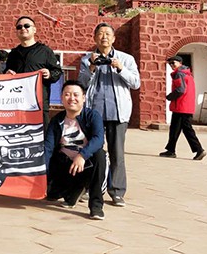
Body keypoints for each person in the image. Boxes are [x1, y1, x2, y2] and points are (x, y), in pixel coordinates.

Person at [78, 22, 140, 207]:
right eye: (100, 33)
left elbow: (136, 83)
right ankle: (90, 188)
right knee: (92, 151)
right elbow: (81, 84)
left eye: (107, 34)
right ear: (94, 38)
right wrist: (91, 67)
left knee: (117, 153)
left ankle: (117, 191)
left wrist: (121, 68)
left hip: (117, 112)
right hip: (94, 112)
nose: (104, 36)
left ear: (113, 38)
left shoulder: (126, 59)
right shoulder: (87, 59)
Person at [45, 80, 107, 220]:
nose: (71, 98)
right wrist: (41, 175)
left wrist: (82, 155)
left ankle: (96, 206)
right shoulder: (57, 120)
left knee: (100, 155)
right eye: (67, 94)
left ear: (83, 98)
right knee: (51, 194)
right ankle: (72, 192)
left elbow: (99, 139)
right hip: (65, 164)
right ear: (62, 98)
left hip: (86, 164)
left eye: (75, 95)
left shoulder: (92, 116)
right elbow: (48, 148)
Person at [5, 16, 62, 129]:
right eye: (19, 27)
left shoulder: (45, 51)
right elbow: (6, 75)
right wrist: (7, 74)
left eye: (27, 26)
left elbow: (57, 71)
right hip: (18, 105)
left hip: (39, 105)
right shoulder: (13, 54)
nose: (23, 29)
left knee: (41, 136)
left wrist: (49, 74)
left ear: (34, 29)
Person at [159, 56, 206, 160]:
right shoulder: (187, 73)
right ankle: (171, 150)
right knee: (175, 129)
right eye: (170, 63)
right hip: (185, 106)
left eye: (173, 63)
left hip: (181, 106)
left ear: (180, 63)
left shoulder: (179, 73)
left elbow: (180, 89)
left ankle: (199, 150)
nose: (171, 65)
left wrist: (170, 96)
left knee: (185, 130)